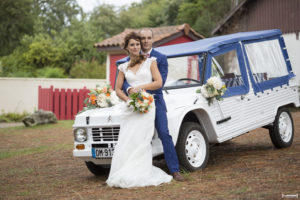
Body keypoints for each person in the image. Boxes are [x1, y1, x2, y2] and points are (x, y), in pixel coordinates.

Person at [106, 32, 173, 188]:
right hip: (132, 109)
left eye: (138, 44)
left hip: (148, 106)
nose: (136, 47)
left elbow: (158, 83)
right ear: (127, 48)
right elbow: (118, 89)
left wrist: (139, 88)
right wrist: (129, 101)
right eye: (132, 45)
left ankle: (145, 172)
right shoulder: (122, 66)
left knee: (144, 139)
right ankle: (126, 170)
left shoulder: (151, 61)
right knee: (129, 139)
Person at [122, 28, 184, 182]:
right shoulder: (129, 59)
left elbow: (160, 82)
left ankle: (174, 170)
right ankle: (137, 169)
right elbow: (124, 80)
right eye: (142, 38)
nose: (145, 41)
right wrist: (129, 89)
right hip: (136, 104)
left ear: (153, 39)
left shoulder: (160, 58)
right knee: (136, 136)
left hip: (156, 101)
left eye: (148, 38)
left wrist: (140, 88)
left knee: (163, 132)